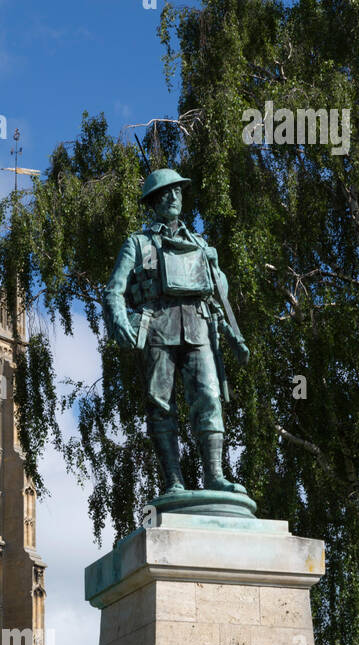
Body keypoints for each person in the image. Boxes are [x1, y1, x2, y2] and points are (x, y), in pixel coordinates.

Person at [104, 168, 250, 496]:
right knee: (160, 404)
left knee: (209, 397)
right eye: (166, 193)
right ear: (154, 202)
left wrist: (216, 268)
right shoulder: (137, 244)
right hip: (157, 326)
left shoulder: (199, 243)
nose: (173, 198)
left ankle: (214, 476)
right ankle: (173, 482)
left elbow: (218, 290)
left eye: (178, 192)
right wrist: (120, 322)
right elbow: (114, 289)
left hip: (199, 326)